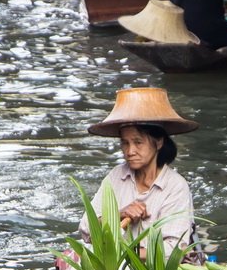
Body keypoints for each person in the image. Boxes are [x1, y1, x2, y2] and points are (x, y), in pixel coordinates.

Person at [79, 87, 197, 254]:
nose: (130, 151)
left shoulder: (176, 186)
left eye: (138, 142)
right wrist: (118, 214)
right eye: (125, 143)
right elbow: (86, 228)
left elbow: (173, 249)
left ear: (158, 143)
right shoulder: (116, 177)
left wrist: (128, 254)